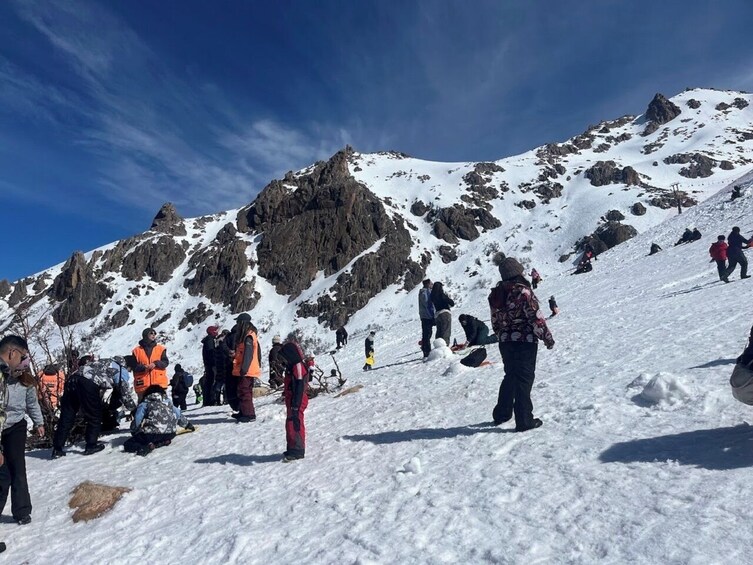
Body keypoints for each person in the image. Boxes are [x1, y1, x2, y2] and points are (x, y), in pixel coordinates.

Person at [488, 257, 554, 432]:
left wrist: (502, 335)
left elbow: (494, 321)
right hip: (525, 341)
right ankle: (524, 420)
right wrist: (547, 337)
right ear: (517, 272)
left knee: (511, 375)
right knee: (524, 379)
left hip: (505, 341)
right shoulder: (522, 292)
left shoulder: (496, 293)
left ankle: (502, 414)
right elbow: (536, 317)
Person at [52, 358, 137, 458]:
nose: (129, 372)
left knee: (67, 415)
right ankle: (91, 445)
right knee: (95, 416)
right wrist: (133, 409)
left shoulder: (104, 361)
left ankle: (57, 448)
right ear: (128, 366)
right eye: (130, 370)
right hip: (87, 383)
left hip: (72, 379)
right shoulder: (121, 369)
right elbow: (124, 391)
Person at [0, 336, 37, 526]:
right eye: (23, 358)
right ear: (12, 353)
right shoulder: (2, 375)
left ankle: (22, 511)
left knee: (15, 469)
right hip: (2, 426)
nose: (25, 363)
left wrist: (38, 422)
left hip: (15, 427)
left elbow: (32, 403)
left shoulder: (22, 378)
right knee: (3, 475)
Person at [124, 385, 194, 456]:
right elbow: (178, 415)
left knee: (128, 444)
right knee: (159, 437)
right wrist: (188, 425)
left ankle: (143, 448)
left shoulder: (145, 403)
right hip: (170, 434)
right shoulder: (168, 402)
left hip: (152, 434)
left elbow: (137, 419)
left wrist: (134, 430)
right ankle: (163, 442)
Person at [279, 337, 309, 462]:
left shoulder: (297, 366)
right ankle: (292, 447)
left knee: (295, 424)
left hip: (297, 400)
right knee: (290, 423)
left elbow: (299, 385)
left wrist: (295, 404)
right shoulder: (293, 366)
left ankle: (297, 450)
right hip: (292, 400)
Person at [231, 313, 262, 423]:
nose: (237, 324)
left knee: (245, 391)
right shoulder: (248, 335)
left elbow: (248, 354)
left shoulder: (248, 336)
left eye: (238, 322)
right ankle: (243, 411)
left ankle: (249, 414)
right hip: (244, 369)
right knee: (242, 390)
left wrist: (244, 368)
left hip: (246, 370)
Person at [132, 328, 169, 401]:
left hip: (159, 385)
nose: (153, 335)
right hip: (142, 385)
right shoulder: (136, 351)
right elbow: (133, 366)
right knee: (142, 408)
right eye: (151, 333)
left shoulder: (160, 349)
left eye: (154, 333)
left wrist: (156, 363)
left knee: (164, 406)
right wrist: (144, 367)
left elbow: (165, 362)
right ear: (145, 335)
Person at [431, 281, 455, 346]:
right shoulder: (441, 294)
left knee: (439, 332)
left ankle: (438, 347)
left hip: (437, 315)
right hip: (445, 313)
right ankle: (445, 348)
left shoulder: (432, 296)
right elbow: (452, 303)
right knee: (446, 331)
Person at [200, 326, 219, 406]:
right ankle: (210, 400)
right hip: (211, 365)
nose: (217, 332)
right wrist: (214, 364)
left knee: (209, 382)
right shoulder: (210, 341)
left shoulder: (208, 340)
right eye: (215, 331)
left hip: (208, 365)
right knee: (211, 382)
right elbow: (211, 354)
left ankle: (208, 401)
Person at [418, 278, 435, 360]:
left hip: (425, 316)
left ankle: (426, 349)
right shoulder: (425, 292)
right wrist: (432, 315)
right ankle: (426, 352)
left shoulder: (424, 292)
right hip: (427, 316)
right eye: (431, 284)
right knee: (427, 334)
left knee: (427, 333)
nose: (432, 285)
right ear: (428, 284)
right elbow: (428, 304)